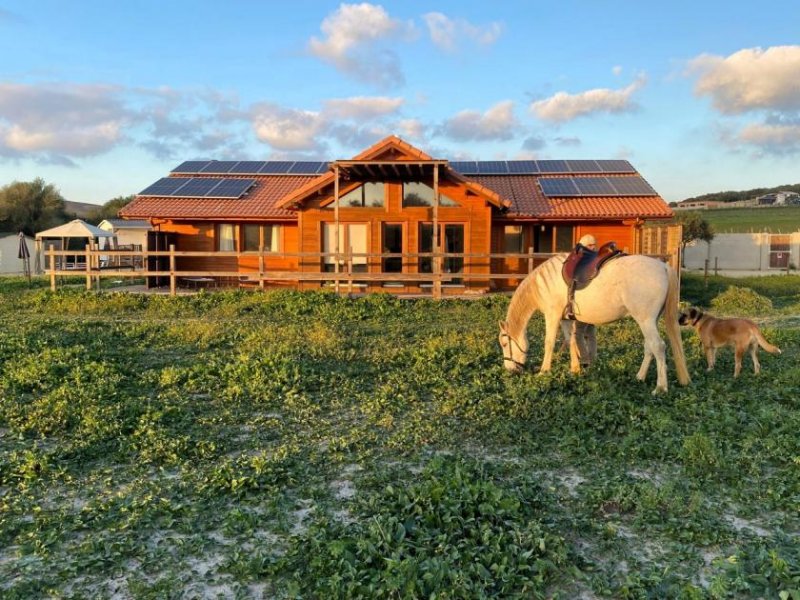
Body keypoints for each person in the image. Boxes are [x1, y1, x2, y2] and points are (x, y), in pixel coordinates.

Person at [561, 233, 598, 366]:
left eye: (593, 245)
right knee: (591, 334)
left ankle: (585, 359)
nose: (593, 248)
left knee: (578, 334)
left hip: (584, 305)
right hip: (595, 304)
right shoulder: (595, 261)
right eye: (591, 245)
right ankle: (593, 359)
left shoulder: (581, 261)